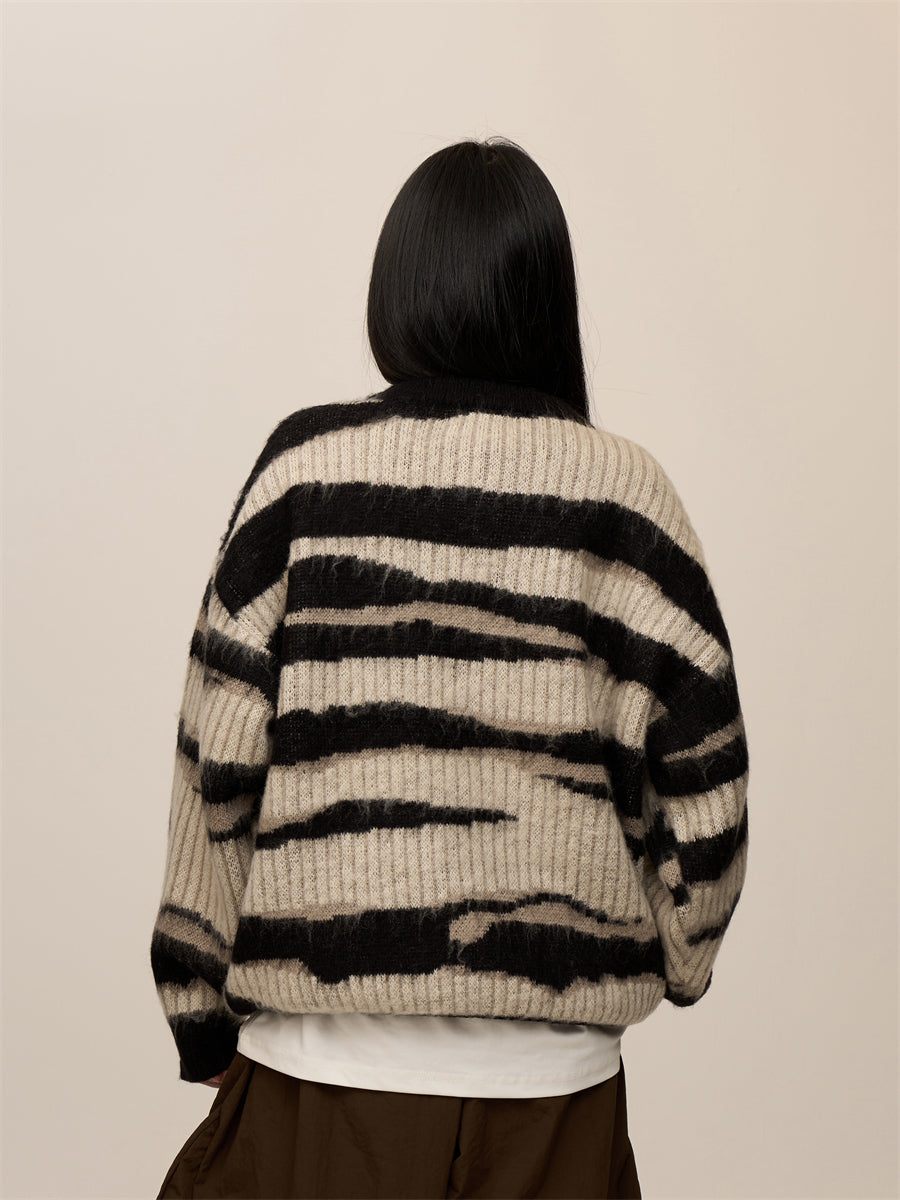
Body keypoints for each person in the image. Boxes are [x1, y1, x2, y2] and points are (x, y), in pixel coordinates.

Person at [150, 136, 750, 1200]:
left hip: (322, 1087)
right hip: (554, 1102)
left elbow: (215, 762)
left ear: (398, 289)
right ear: (548, 300)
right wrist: (675, 953)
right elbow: (705, 783)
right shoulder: (628, 495)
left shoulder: (303, 475)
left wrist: (197, 1007)